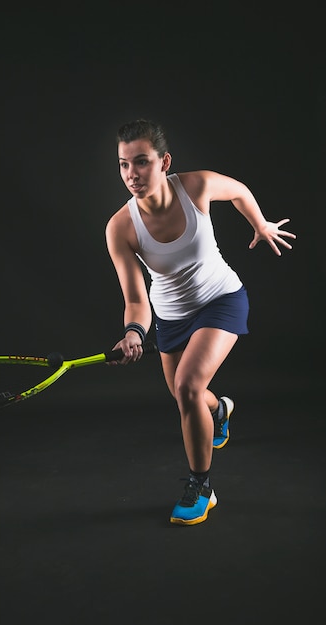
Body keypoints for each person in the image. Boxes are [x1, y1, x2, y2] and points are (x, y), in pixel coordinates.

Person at [105, 119, 296, 526]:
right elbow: (137, 298)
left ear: (163, 162)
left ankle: (201, 486)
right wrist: (134, 331)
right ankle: (221, 413)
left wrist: (259, 224)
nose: (132, 174)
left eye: (141, 162)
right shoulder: (121, 227)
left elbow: (240, 192)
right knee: (186, 397)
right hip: (170, 319)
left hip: (221, 300)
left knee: (188, 388)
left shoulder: (196, 186)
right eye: (123, 165)